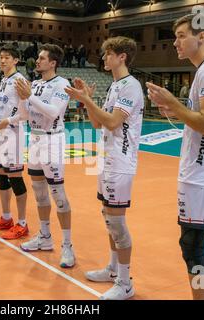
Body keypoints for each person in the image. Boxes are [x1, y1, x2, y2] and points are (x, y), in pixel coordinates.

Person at [146, 13, 204, 300]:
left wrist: (173, 102)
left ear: (202, 37)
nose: (176, 43)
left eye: (182, 35)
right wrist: (174, 111)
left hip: (200, 175)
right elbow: (202, 119)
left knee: (193, 250)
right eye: (175, 37)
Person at [65, 36, 144, 300]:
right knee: (108, 218)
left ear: (122, 56)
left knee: (117, 222)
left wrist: (86, 100)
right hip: (107, 159)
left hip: (121, 162)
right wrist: (87, 98)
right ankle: (113, 269)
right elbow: (98, 125)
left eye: (108, 54)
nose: (103, 58)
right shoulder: (114, 87)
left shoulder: (131, 87)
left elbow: (112, 122)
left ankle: (125, 282)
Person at [11, 44, 76, 268]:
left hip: (53, 140)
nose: (37, 61)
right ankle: (45, 237)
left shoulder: (62, 84)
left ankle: (67, 245)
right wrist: (22, 98)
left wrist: (30, 96)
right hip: (35, 138)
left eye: (41, 58)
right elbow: (24, 114)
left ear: (52, 63)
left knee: (57, 193)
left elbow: (53, 112)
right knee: (39, 192)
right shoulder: (36, 84)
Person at [0, 44, 29, 240]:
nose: (2, 60)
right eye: (1, 57)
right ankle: (6, 217)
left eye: (7, 57)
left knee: (15, 177)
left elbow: (25, 112)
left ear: (16, 60)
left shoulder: (20, 80)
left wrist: (7, 121)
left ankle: (22, 223)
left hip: (13, 134)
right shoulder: (3, 80)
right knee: (0, 175)